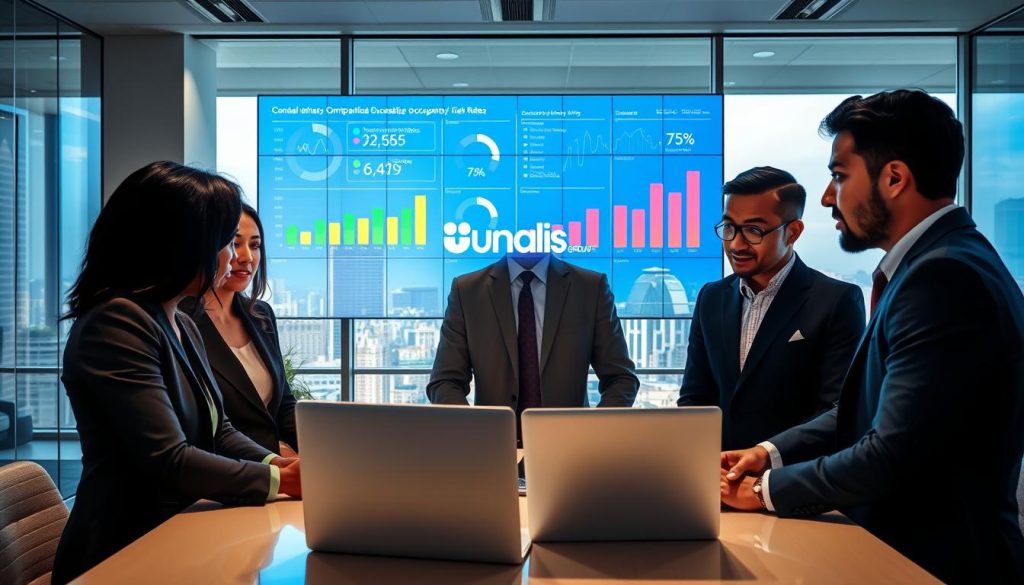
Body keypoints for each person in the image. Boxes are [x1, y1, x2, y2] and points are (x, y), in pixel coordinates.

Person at [720, 90, 1024, 583]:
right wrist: (768, 452)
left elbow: (892, 453)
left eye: (840, 176)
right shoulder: (944, 262)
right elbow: (871, 410)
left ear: (895, 178)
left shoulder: (943, 277)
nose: (828, 196)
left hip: (937, 564)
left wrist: (763, 490)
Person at [53, 162, 302, 583]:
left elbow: (219, 430)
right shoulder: (116, 323)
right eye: (224, 241)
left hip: (183, 531)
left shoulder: (180, 321)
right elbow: (169, 460)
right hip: (126, 549)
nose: (233, 256)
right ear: (183, 244)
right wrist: (282, 479)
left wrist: (278, 463)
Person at [679, 167, 864, 450]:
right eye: (729, 227)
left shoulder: (836, 301)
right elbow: (694, 398)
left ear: (793, 232)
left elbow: (838, 410)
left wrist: (767, 455)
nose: (736, 244)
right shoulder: (711, 298)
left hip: (794, 473)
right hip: (718, 472)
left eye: (754, 230)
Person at [427, 253, 639, 439]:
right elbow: (444, 381)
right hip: (490, 449)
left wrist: (593, 433)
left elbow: (621, 378)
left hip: (572, 451)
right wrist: (472, 433)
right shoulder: (467, 291)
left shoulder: (590, 287)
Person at [180, 204, 298, 456]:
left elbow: (284, 405)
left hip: (278, 464)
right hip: (227, 469)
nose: (247, 257)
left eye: (255, 245)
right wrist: (274, 459)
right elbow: (203, 426)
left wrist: (321, 450)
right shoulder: (180, 320)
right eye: (234, 244)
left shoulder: (261, 315)